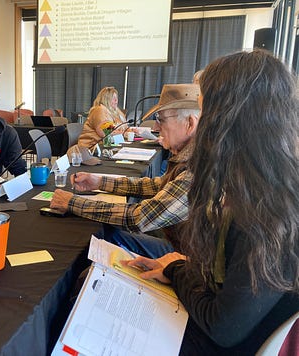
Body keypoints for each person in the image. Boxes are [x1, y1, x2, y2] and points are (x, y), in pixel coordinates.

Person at [127, 50, 299, 354]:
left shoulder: (266, 214)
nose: (199, 126)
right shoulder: (265, 189)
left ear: (230, 122)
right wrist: (177, 270)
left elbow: (223, 327)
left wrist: (177, 270)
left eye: (204, 113)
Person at [51, 84, 200, 257]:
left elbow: (139, 218)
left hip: (184, 256)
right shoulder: (100, 111)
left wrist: (72, 202)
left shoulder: (197, 167)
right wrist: (100, 182)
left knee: (105, 236)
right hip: (180, 243)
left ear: (190, 123)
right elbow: (157, 185)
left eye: (161, 119)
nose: (157, 128)